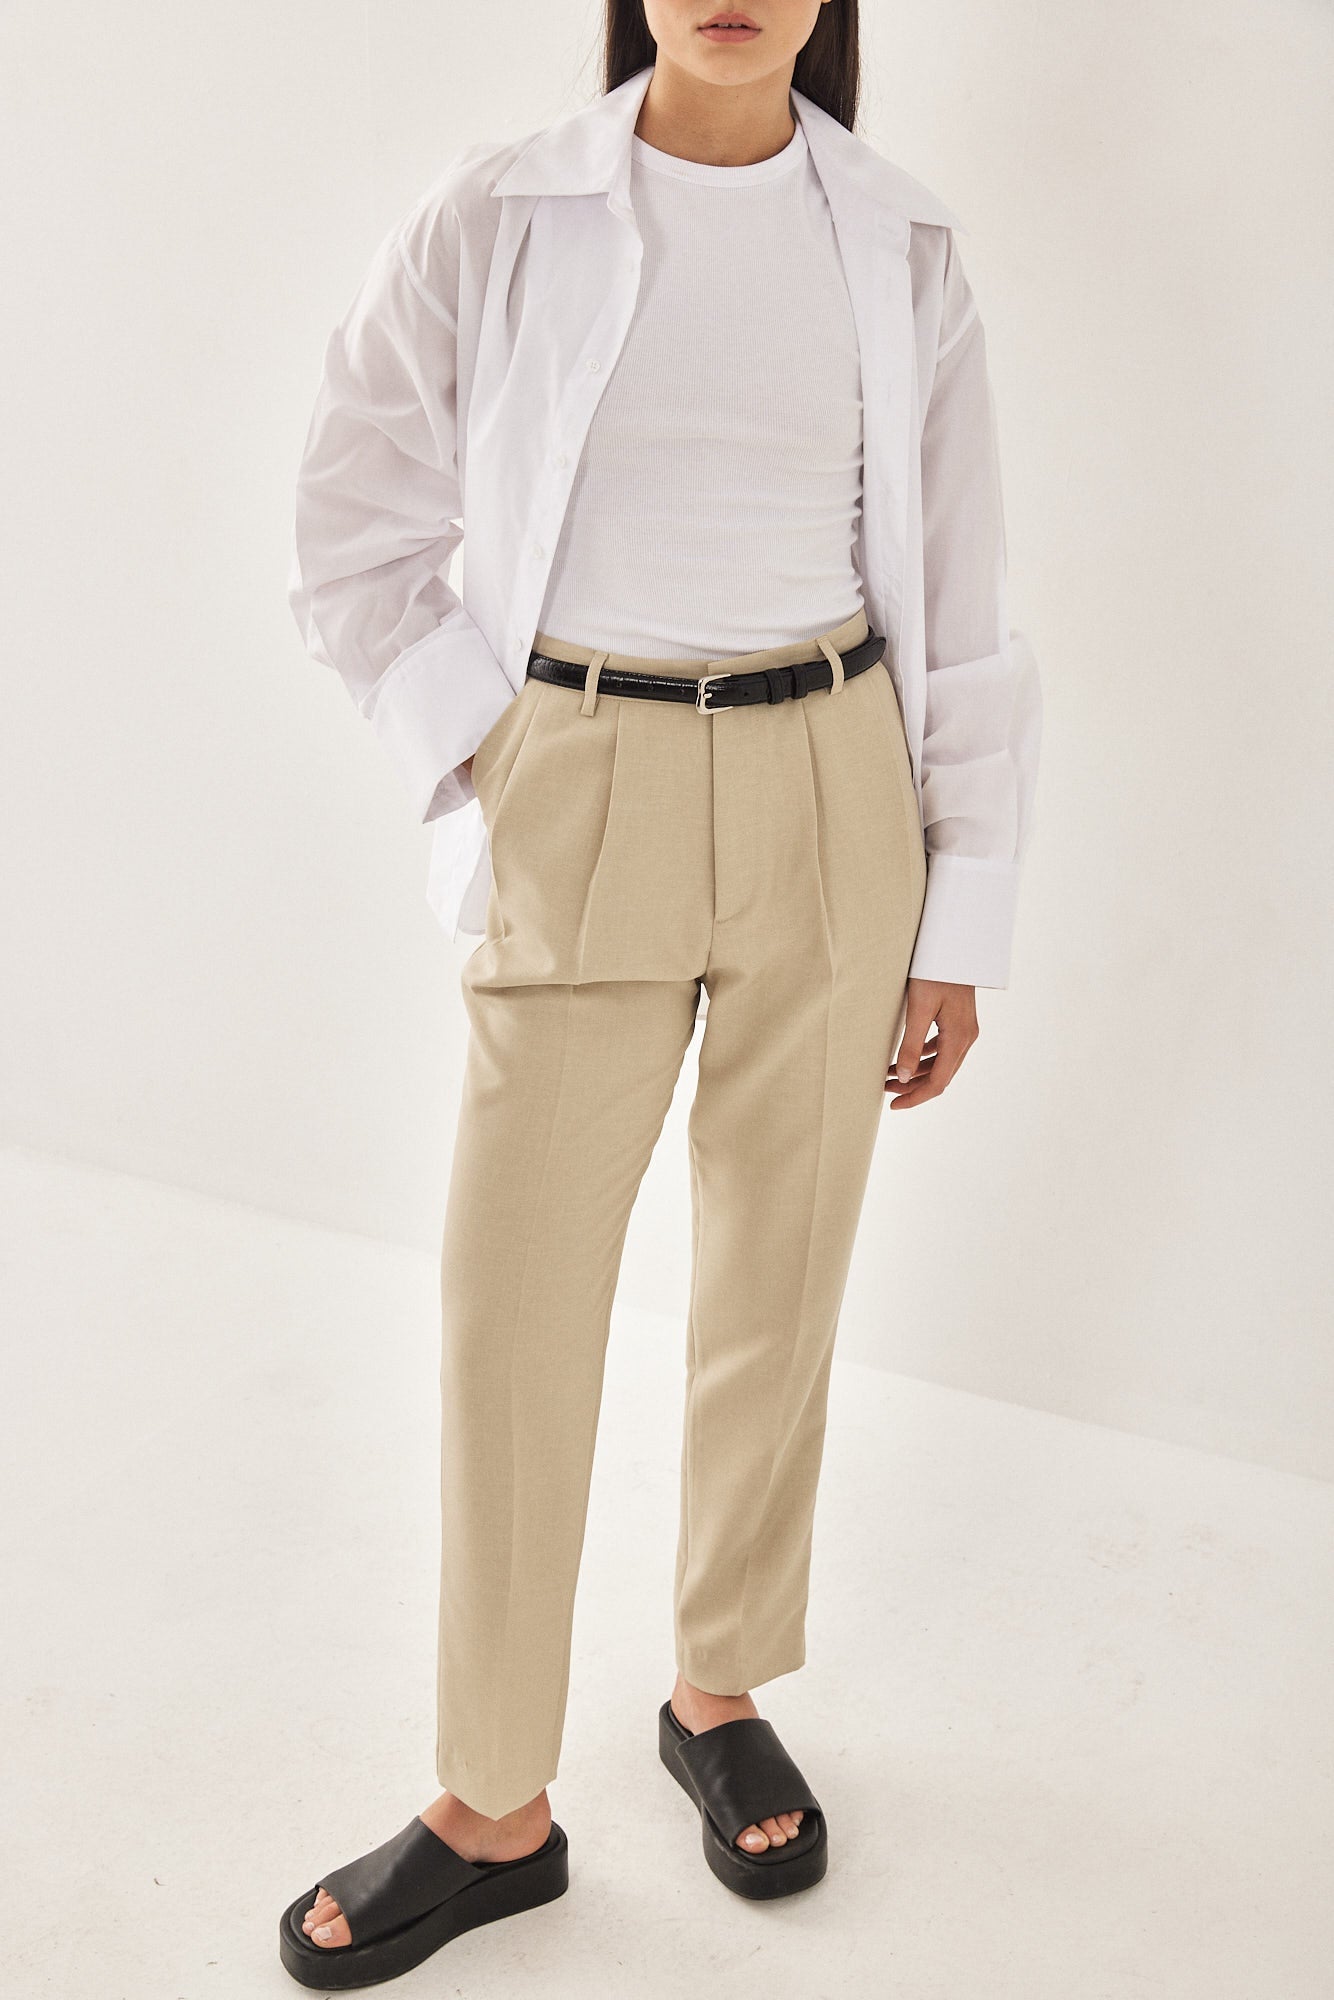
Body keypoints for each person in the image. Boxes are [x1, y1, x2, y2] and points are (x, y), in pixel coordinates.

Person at [278, 0, 1041, 1984]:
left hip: (834, 784)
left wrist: (960, 911)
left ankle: (718, 1686)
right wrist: (492, 746)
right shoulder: (497, 213)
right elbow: (350, 512)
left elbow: (965, 591)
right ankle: (491, 1802)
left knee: (779, 1273)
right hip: (583, 769)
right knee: (510, 1300)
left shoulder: (902, 242)